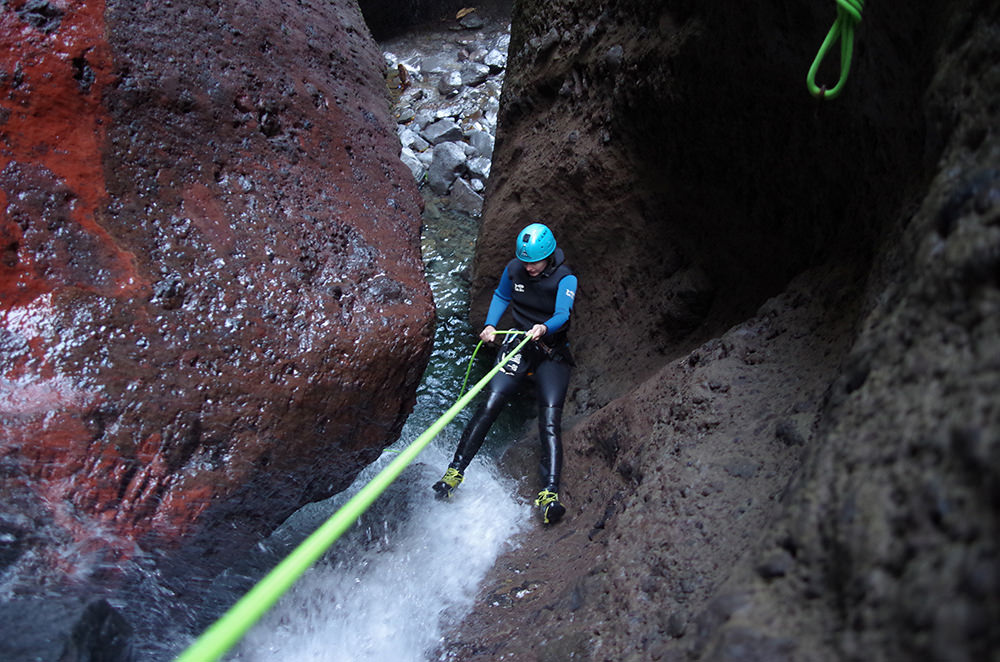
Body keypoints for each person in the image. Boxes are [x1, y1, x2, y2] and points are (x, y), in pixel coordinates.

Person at [432, 222, 578, 524]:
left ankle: (550, 494)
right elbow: (501, 295)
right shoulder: (514, 269)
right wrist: (489, 324)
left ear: (548, 256)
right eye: (526, 261)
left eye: (534, 262)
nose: (530, 267)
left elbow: (563, 313)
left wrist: (544, 327)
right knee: (490, 403)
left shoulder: (566, 279)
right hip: (518, 346)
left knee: (549, 419)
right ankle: (455, 471)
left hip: (550, 352)